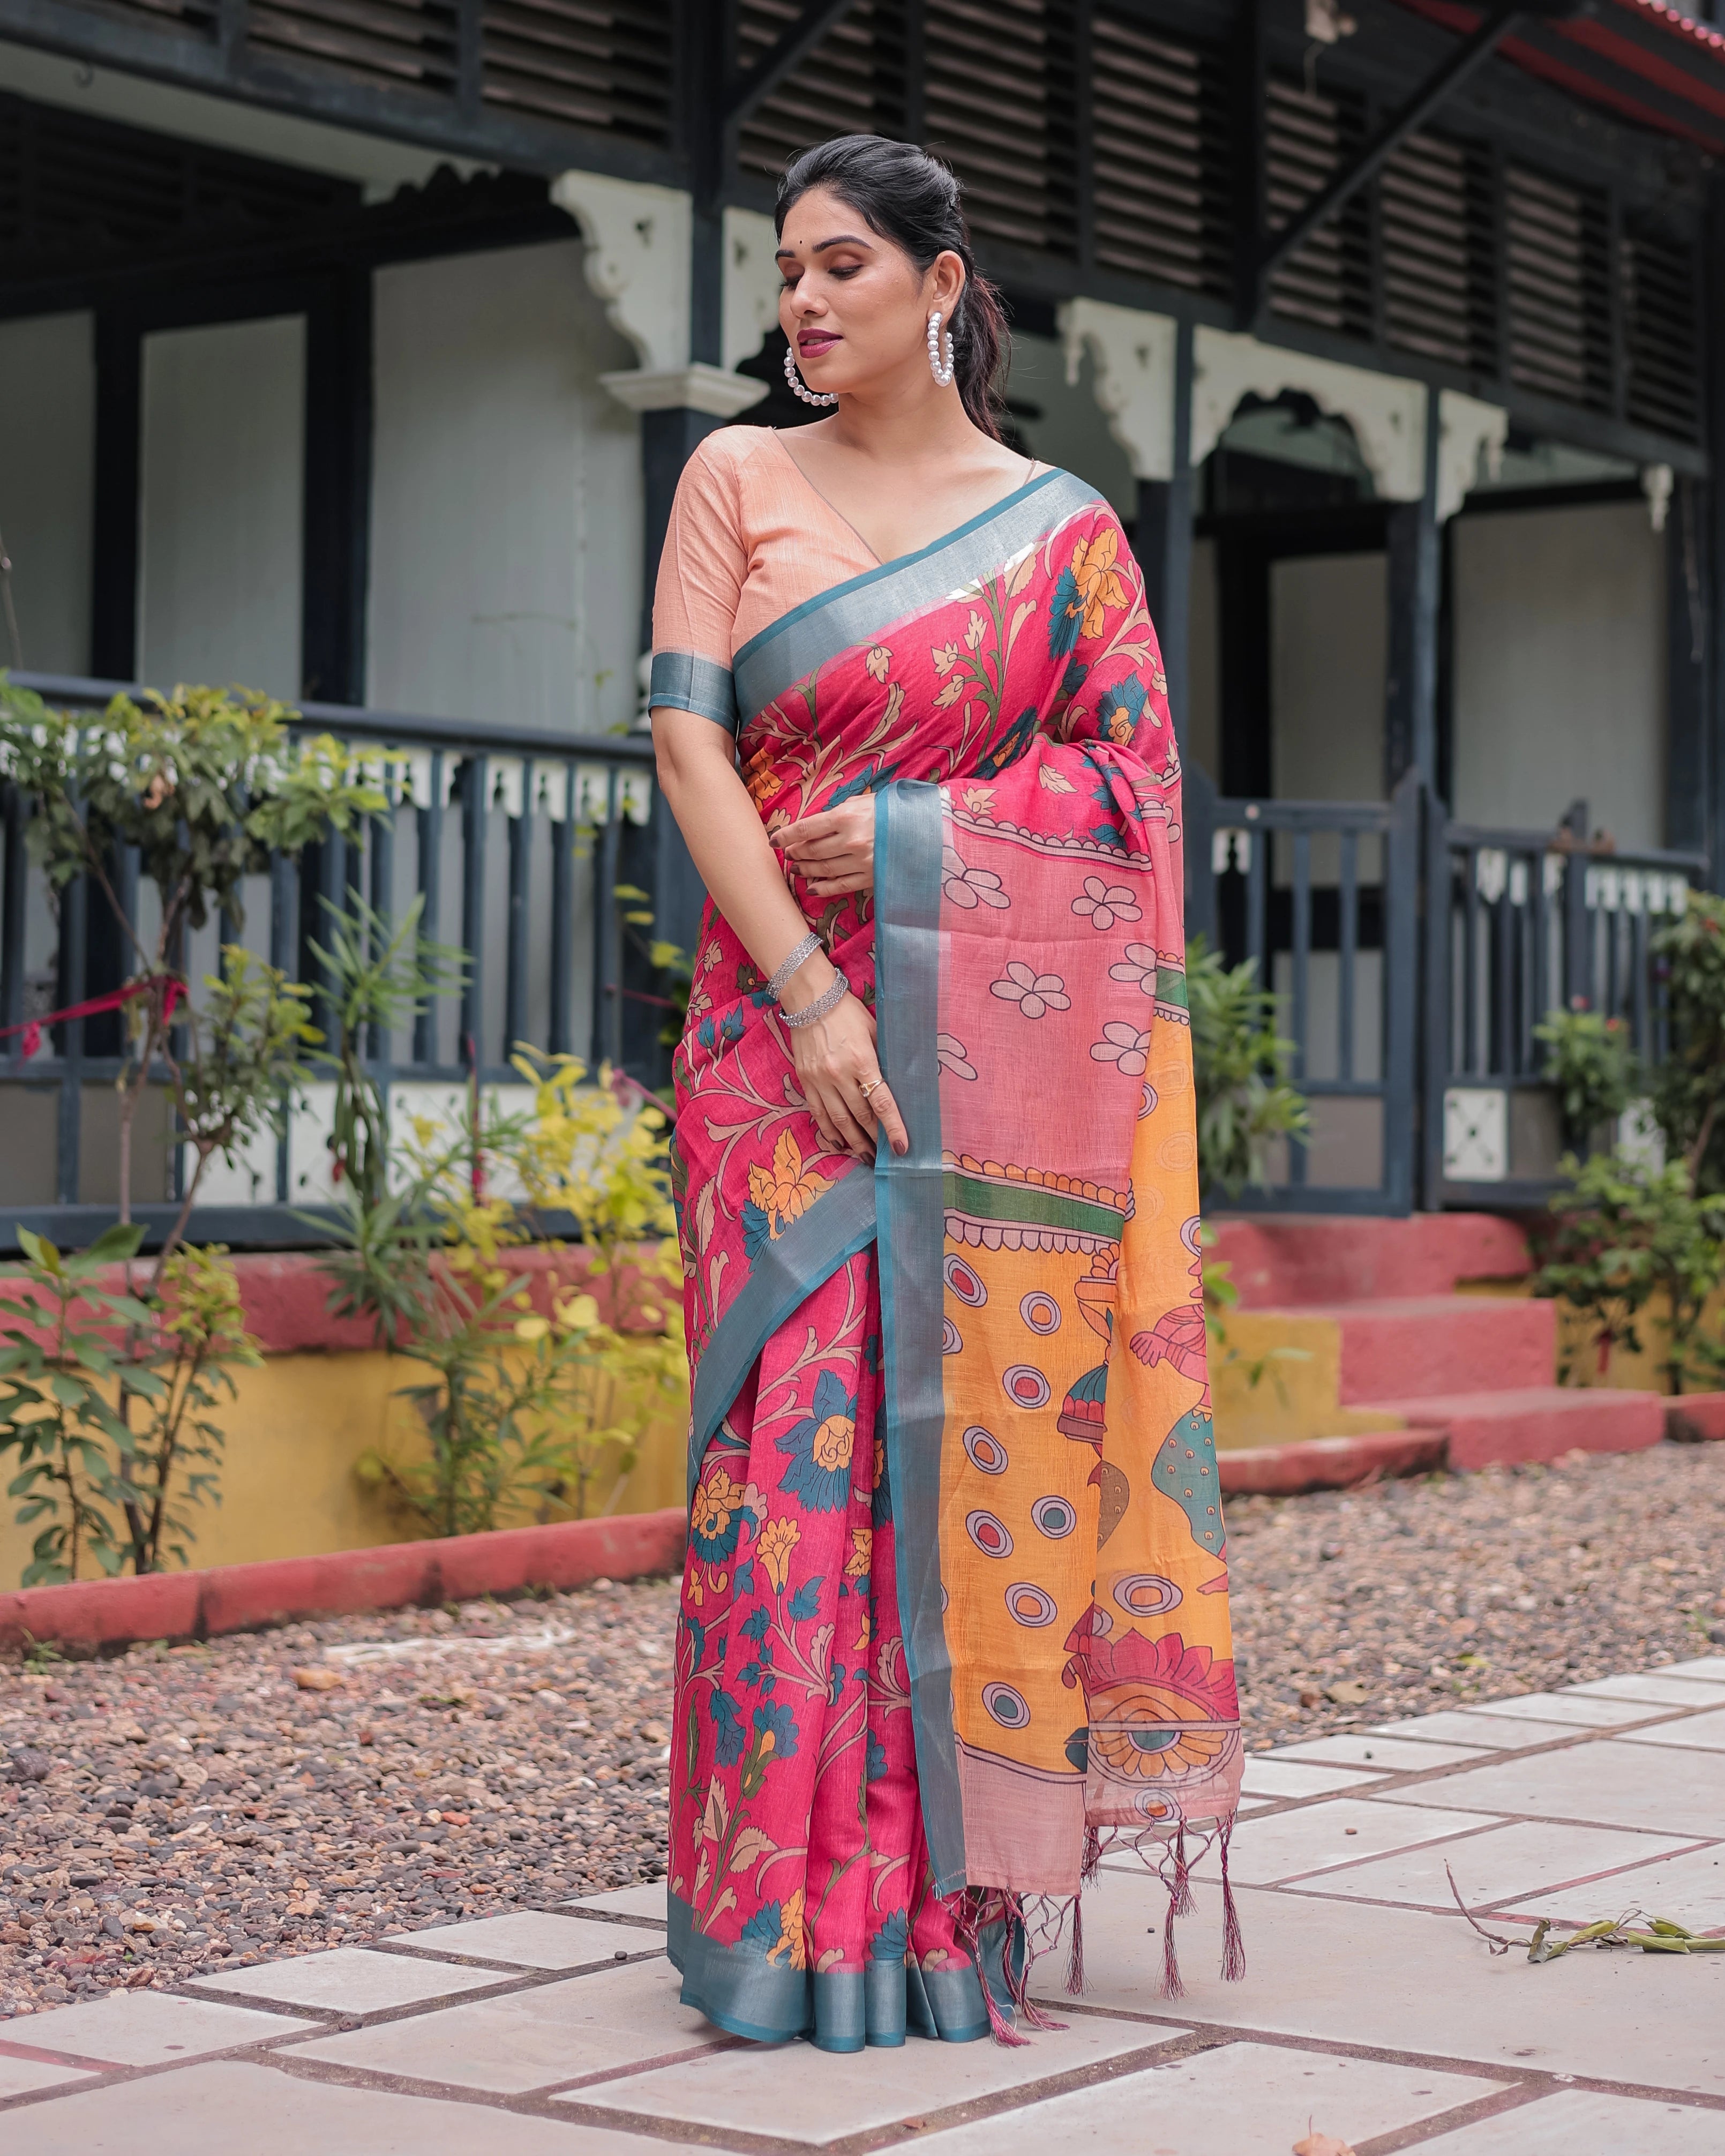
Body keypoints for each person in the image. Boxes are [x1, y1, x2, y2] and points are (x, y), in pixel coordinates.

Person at [649, 132, 1242, 2055]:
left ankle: (929, 1916)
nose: (801, 304)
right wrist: (814, 989)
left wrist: (912, 837)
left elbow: (1140, 805)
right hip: (770, 1053)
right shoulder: (735, 474)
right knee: (788, 1465)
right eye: (784, 273)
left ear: (939, 281)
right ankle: (776, 1913)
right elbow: (687, 745)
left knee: (961, 1451)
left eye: (838, 267)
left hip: (984, 1073)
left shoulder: (1060, 532)